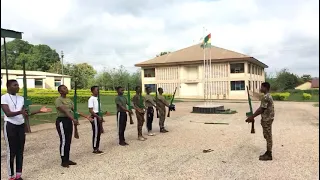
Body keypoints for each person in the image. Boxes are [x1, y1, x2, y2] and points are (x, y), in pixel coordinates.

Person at [1, 79, 52, 180]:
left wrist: (39, 111)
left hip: (20, 126)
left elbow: (26, 113)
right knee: (11, 151)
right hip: (10, 126)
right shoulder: (4, 97)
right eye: (15, 85)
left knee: (20, 151)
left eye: (18, 85)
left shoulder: (21, 98)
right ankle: (11, 176)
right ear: (8, 86)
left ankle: (18, 175)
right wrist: (20, 112)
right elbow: (8, 113)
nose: (18, 87)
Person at [55, 85, 92, 167]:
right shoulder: (58, 100)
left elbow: (75, 110)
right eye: (64, 88)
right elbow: (65, 111)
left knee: (68, 140)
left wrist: (86, 117)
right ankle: (63, 161)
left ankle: (67, 159)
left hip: (69, 120)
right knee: (64, 141)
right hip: (62, 120)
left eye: (66, 88)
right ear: (60, 91)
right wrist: (73, 119)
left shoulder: (69, 100)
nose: (66, 89)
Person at [245, 82, 275, 161]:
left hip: (267, 119)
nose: (260, 88)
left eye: (261, 87)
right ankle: (268, 152)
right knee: (267, 135)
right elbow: (261, 107)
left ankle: (269, 154)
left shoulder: (266, 97)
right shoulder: (267, 96)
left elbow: (261, 109)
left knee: (268, 136)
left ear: (265, 88)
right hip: (268, 118)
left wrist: (252, 116)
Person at [88, 86, 110, 154]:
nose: (98, 91)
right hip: (95, 116)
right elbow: (91, 110)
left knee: (99, 132)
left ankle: (97, 147)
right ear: (92, 91)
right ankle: (95, 148)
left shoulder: (97, 98)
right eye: (97, 90)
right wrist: (97, 116)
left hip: (98, 115)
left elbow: (98, 109)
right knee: (96, 132)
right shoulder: (91, 99)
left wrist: (101, 116)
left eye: (98, 90)